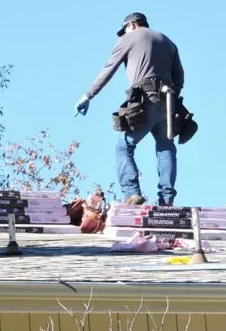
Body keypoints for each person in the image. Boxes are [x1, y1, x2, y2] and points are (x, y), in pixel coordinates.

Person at [74, 12, 185, 206]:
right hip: (168, 101)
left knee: (124, 146)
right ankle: (166, 200)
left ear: (132, 25)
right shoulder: (168, 42)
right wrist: (170, 99)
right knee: (166, 148)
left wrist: (88, 95)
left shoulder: (128, 38)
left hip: (145, 98)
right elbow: (180, 78)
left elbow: (108, 68)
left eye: (124, 29)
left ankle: (132, 192)